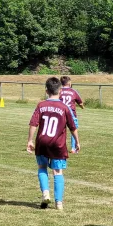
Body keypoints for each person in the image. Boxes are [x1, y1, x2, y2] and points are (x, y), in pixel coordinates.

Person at [27, 77, 80, 210]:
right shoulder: (64, 107)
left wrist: (30, 140)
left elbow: (34, 123)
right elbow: (72, 127)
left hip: (42, 142)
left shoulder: (41, 105)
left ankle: (45, 193)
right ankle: (59, 203)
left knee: (42, 167)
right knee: (57, 171)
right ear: (60, 91)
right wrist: (77, 142)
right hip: (58, 144)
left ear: (46, 91)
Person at [59, 76, 84, 153]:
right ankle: (73, 148)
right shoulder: (73, 91)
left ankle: (58, 146)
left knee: (59, 130)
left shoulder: (58, 91)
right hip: (71, 114)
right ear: (69, 82)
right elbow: (80, 102)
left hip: (60, 113)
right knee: (73, 129)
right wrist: (82, 106)